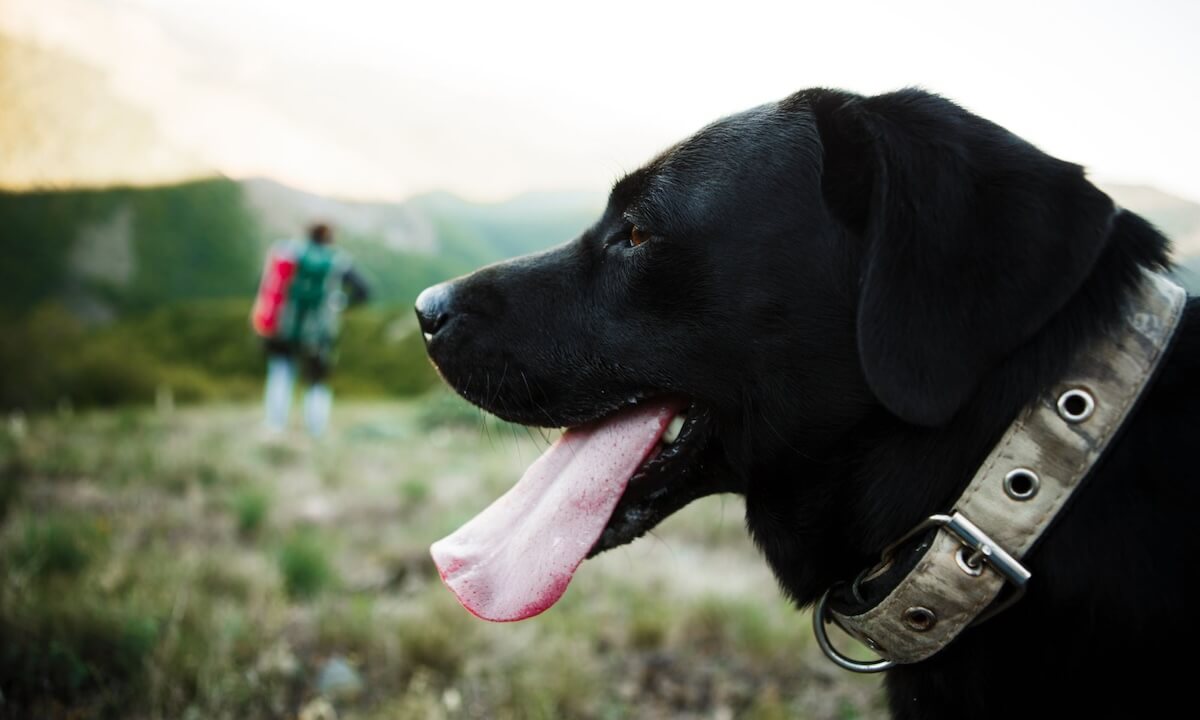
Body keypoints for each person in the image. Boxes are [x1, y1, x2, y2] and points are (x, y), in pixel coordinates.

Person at [256, 223, 369, 437]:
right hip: (319, 332)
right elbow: (364, 291)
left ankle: (274, 426)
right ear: (329, 238)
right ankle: (316, 430)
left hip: (285, 326)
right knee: (317, 381)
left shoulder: (290, 253)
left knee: (280, 374)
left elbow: (268, 286)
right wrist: (341, 303)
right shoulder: (338, 261)